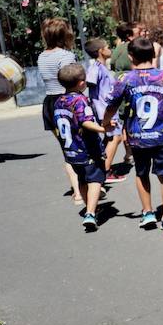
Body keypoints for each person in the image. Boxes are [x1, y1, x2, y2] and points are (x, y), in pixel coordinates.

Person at [104, 36, 163, 233]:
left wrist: (105, 122)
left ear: (130, 57)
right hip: (162, 134)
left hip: (137, 136)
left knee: (141, 173)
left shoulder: (125, 79)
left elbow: (111, 104)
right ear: (154, 55)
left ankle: (147, 212)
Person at [52, 63, 107, 231]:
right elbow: (86, 121)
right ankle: (90, 213)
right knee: (96, 179)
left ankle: (91, 208)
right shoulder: (80, 100)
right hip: (87, 150)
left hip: (71, 151)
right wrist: (103, 128)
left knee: (83, 180)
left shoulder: (58, 101)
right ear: (82, 83)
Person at [38, 17, 82, 202]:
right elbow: (70, 80)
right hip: (67, 101)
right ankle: (84, 188)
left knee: (67, 147)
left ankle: (77, 191)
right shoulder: (66, 56)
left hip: (50, 103)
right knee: (80, 145)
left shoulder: (42, 56)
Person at [83, 37, 127, 182]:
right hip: (103, 109)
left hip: (107, 108)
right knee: (115, 137)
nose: (110, 49)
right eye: (107, 47)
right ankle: (106, 171)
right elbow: (89, 83)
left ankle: (100, 164)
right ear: (100, 51)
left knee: (111, 138)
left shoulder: (102, 67)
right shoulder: (95, 68)